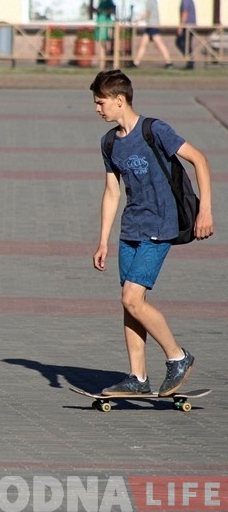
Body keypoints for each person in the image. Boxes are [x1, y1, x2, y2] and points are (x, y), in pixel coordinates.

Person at [89, 69, 213, 397]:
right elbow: (112, 192)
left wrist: (206, 210)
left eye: (101, 102)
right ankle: (137, 377)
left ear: (120, 100)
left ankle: (178, 357)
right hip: (131, 228)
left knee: (131, 297)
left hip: (160, 226)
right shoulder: (108, 143)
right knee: (131, 303)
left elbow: (199, 159)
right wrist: (102, 239)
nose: (97, 108)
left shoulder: (154, 130)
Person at [128, 0, 173, 69]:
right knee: (143, 44)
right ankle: (136, 62)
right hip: (150, 25)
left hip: (152, 25)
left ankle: (169, 62)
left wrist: (137, 20)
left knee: (159, 44)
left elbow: (147, 13)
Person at [93, 0, 116, 69]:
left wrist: (103, 11)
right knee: (102, 44)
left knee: (104, 43)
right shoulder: (101, 1)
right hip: (100, 23)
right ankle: (102, 63)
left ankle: (103, 64)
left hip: (105, 24)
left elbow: (112, 10)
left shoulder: (108, 0)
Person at [176, 0, 197, 69]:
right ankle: (190, 62)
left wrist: (181, 26)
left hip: (187, 26)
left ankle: (190, 61)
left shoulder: (185, 0)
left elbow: (185, 13)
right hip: (192, 25)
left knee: (179, 42)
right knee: (188, 44)